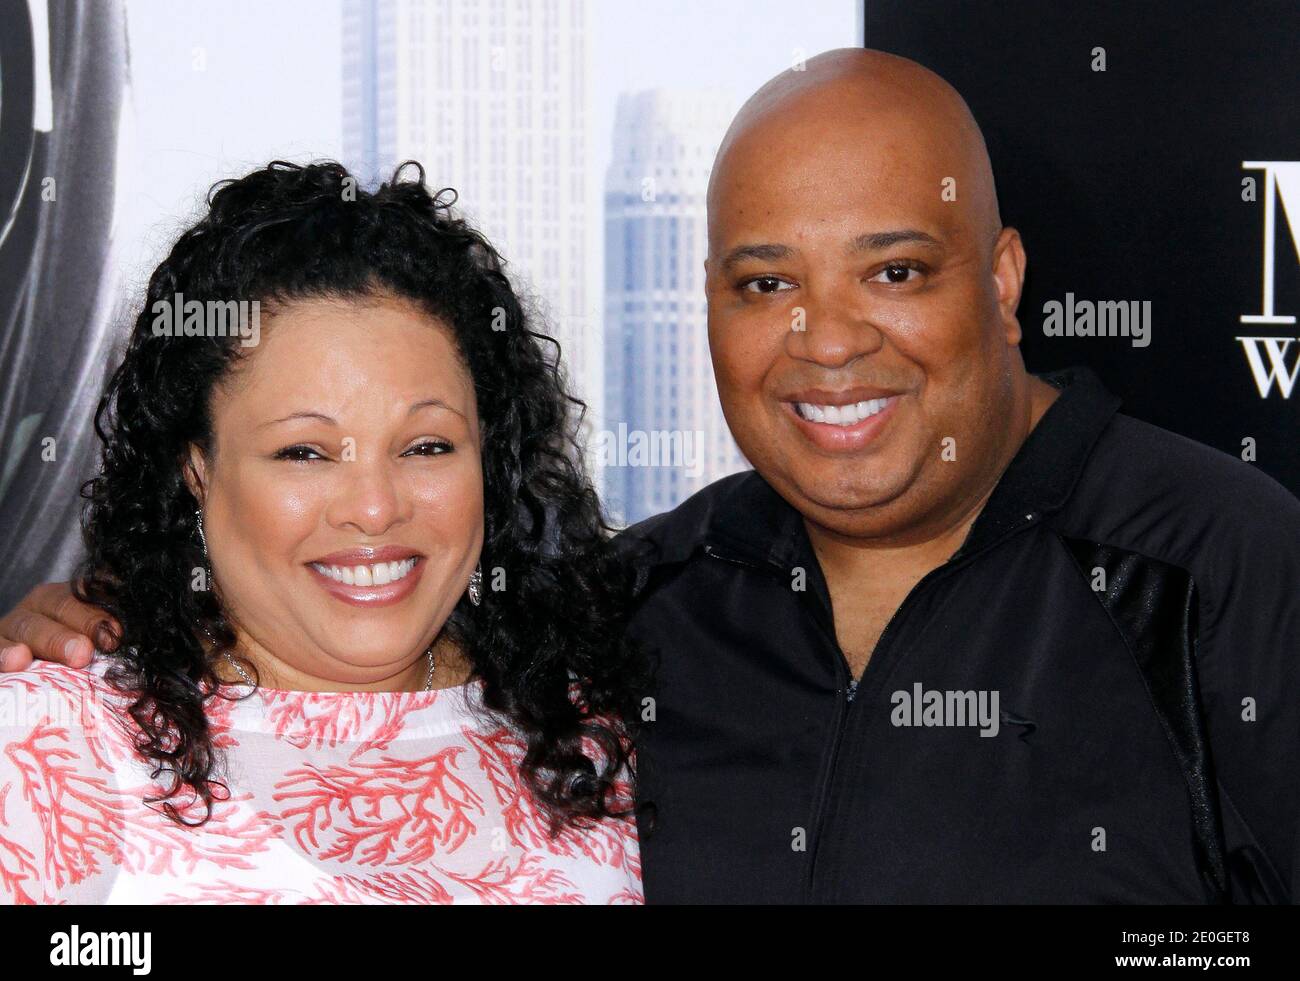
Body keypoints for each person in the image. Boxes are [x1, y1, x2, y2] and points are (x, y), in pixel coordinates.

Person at [7, 50, 1299, 904]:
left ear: (1004, 278)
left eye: (894, 269)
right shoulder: (641, 617)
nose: (831, 337)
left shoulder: (1229, 571)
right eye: (767, 283)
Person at [0, 161, 644, 904]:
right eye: (303, 452)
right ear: (198, 468)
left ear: (490, 460)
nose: (373, 508)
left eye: (427, 446)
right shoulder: (50, 743)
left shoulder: (598, 739)